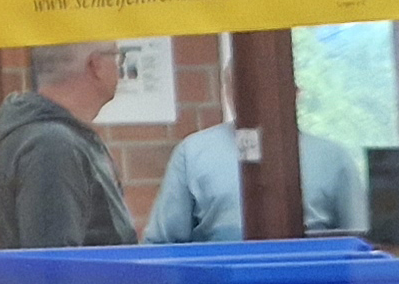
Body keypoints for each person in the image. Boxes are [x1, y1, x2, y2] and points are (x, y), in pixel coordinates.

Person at [145, 104, 369, 242]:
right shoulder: (193, 152)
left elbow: (363, 243)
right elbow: (162, 246)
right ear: (229, 89)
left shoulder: (332, 157)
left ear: (295, 92)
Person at [0, 40, 137, 249]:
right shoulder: (52, 145)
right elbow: (54, 267)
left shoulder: (57, 137)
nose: (119, 66)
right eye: (116, 56)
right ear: (96, 66)